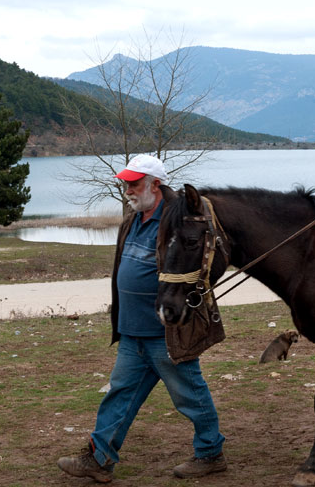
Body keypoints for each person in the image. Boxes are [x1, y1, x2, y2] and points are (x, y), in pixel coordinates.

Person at [57, 154, 226, 482]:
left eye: (134, 184)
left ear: (155, 185)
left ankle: (210, 453)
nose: (128, 190)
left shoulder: (179, 223)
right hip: (132, 330)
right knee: (120, 393)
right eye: (126, 184)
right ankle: (99, 458)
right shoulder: (132, 220)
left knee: (190, 396)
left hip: (166, 332)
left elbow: (199, 267)